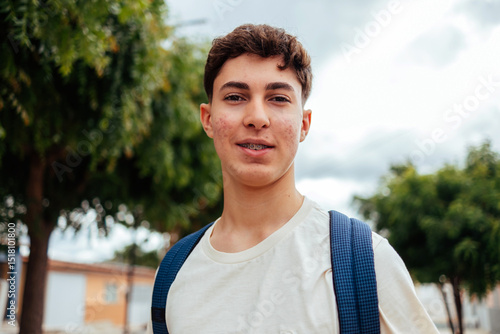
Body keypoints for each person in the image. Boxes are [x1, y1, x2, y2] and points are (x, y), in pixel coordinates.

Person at [148, 23, 439, 333]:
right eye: (235, 97)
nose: (257, 118)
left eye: (278, 99)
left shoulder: (362, 260)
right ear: (207, 119)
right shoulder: (174, 273)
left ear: (304, 123)